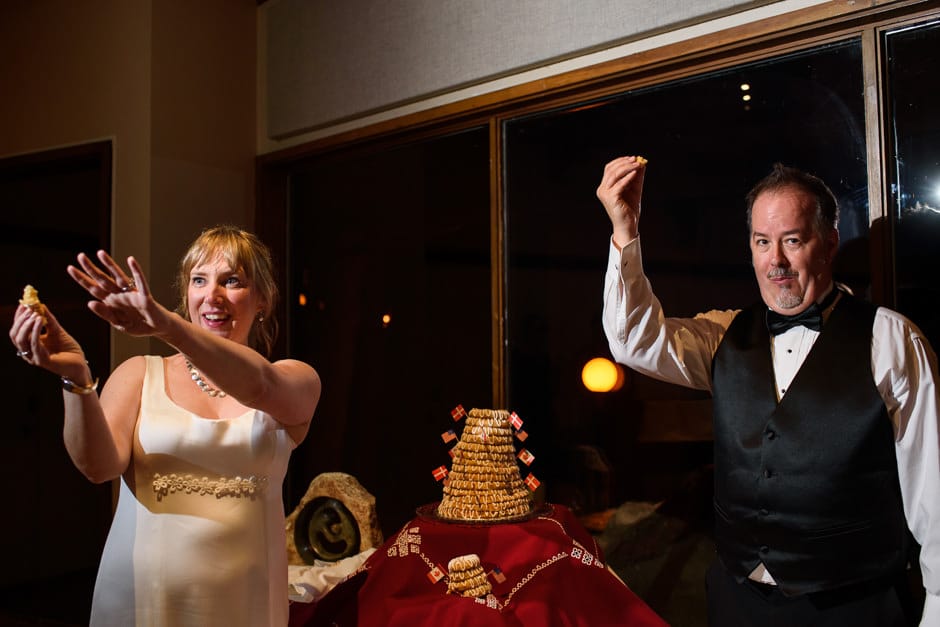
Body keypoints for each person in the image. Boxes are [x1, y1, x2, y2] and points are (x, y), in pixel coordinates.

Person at [596, 156, 940, 626]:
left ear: (829, 243)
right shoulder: (723, 335)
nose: (775, 260)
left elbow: (934, 498)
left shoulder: (892, 341)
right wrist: (625, 229)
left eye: (792, 241)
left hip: (854, 608)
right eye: (762, 242)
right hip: (737, 603)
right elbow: (633, 340)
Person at [9, 225, 321, 626]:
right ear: (186, 294)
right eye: (199, 280)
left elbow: (258, 385)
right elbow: (97, 467)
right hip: (141, 599)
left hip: (246, 603)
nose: (213, 296)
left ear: (262, 298)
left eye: (232, 281)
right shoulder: (140, 375)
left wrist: (169, 328)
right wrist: (76, 378)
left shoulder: (294, 378)